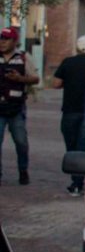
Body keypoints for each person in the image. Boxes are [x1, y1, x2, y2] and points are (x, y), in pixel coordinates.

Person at [52, 38, 85, 196]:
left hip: (69, 110)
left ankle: (75, 181)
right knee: (83, 146)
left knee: (71, 145)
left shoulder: (67, 62)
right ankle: (77, 183)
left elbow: (56, 83)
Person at [0, 26, 38, 185]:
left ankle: (23, 170)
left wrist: (20, 79)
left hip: (16, 107)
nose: (2, 42)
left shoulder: (23, 57)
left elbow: (35, 78)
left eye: (6, 39)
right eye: (1, 38)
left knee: (21, 141)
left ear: (14, 41)